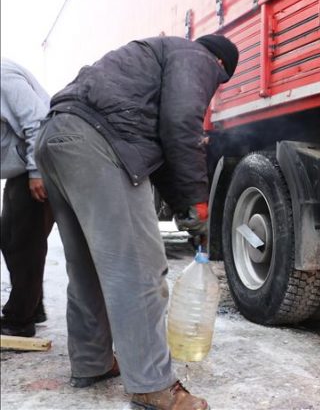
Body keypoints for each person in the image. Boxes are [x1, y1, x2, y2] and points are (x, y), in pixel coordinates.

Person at [35, 35, 238, 410]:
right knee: (139, 271)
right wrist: (197, 202)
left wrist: (183, 209)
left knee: (88, 269)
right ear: (220, 65)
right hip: (96, 142)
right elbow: (181, 127)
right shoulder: (196, 56)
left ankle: (92, 362)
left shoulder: (155, 57)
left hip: (56, 137)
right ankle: (151, 384)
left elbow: (154, 158)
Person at [0, 58, 55, 338]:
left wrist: (36, 171)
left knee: (25, 242)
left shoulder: (3, 76)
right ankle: (32, 307)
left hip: (39, 165)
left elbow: (37, 119)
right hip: (21, 170)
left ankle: (20, 320)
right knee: (11, 237)